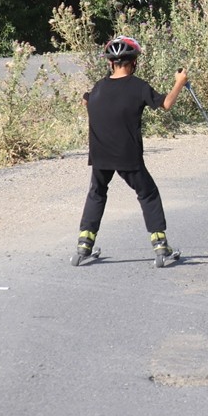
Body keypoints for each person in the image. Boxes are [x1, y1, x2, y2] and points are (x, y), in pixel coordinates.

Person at [72, 36, 187, 267]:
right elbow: (165, 105)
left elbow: (86, 101)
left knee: (97, 193)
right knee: (148, 194)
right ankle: (161, 247)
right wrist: (180, 82)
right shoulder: (139, 87)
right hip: (128, 156)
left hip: (100, 155)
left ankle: (84, 245)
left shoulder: (98, 88)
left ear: (110, 63)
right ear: (134, 62)